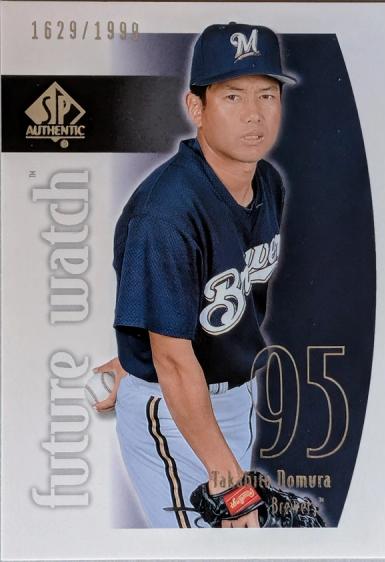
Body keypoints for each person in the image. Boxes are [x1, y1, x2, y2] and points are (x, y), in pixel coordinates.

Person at [94, 22, 296, 528]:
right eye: (232, 96)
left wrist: (132, 353)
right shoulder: (166, 214)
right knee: (199, 548)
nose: (254, 114)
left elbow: (210, 296)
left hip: (233, 400)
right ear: (196, 107)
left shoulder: (268, 182)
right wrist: (232, 486)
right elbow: (174, 361)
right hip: (172, 409)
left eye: (267, 95)